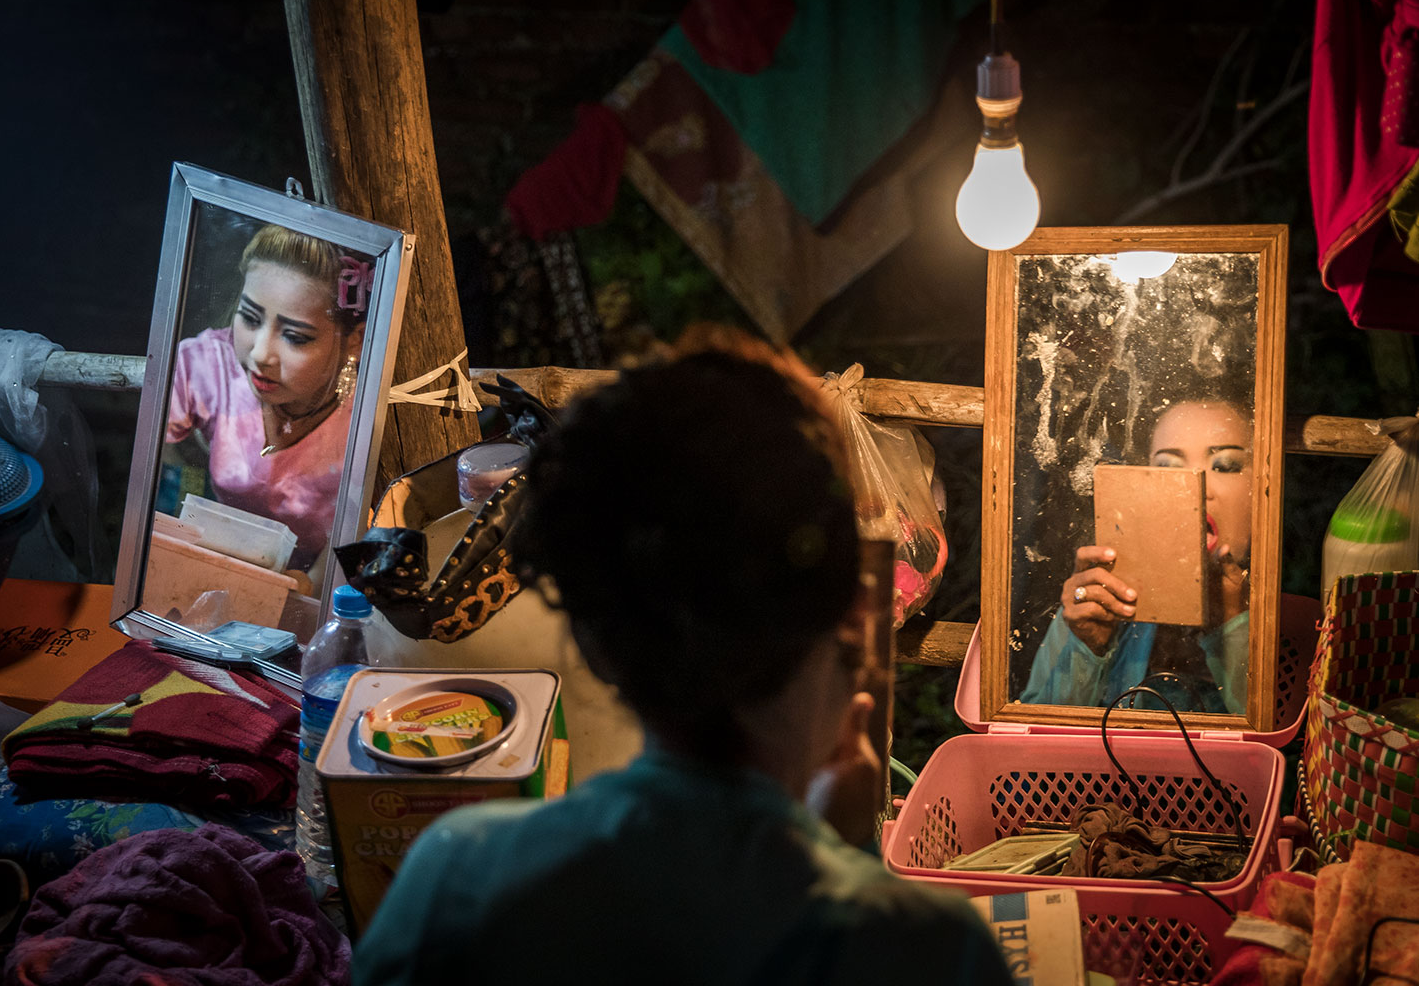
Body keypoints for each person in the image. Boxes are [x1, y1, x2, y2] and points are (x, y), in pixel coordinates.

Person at [354, 327, 1010, 984]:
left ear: (590, 640)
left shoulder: (455, 877)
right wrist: (852, 853)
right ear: (855, 616)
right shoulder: (933, 948)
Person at [1021, 396, 1254, 713]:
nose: (1195, 486)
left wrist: (1232, 625)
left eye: (1224, 466)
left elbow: (1283, 732)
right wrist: (1087, 644)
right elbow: (1033, 729)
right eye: (1167, 467)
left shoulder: (1277, 618)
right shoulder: (1102, 595)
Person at [165, 224, 372, 572]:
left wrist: (311, 585)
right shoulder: (207, 365)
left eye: (295, 337)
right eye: (249, 318)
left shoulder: (371, 414)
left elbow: (369, 529)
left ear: (356, 340)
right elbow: (157, 474)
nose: (261, 354)